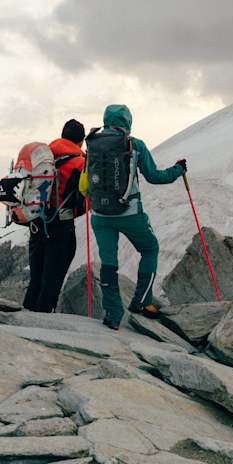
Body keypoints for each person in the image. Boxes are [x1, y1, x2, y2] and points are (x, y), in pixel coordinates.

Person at [79, 104, 186, 330]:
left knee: (109, 263)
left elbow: (86, 181)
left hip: (99, 215)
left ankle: (112, 314)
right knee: (150, 249)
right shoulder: (134, 144)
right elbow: (155, 177)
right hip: (128, 213)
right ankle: (142, 301)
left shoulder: (93, 144)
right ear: (128, 122)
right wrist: (178, 170)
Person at [23, 119, 87, 313]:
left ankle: (25, 317)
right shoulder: (80, 163)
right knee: (52, 278)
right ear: (81, 141)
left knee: (37, 276)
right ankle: (43, 321)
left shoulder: (44, 158)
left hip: (36, 221)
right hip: (61, 225)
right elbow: (83, 196)